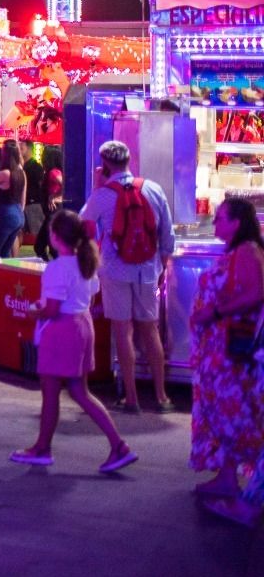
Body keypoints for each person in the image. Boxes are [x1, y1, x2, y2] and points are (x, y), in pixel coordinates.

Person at [9, 211, 137, 474]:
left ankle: (42, 449)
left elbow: (53, 308)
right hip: (82, 325)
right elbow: (89, 300)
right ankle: (118, 445)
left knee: (51, 391)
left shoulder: (58, 268)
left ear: (55, 238)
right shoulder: (86, 263)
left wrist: (35, 310)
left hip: (61, 330)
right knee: (80, 391)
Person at [80, 140, 175, 414]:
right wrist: (161, 266)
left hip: (114, 269)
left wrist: (97, 185)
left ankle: (131, 398)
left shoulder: (103, 194)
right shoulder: (153, 189)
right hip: (147, 269)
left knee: (123, 330)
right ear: (129, 160)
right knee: (150, 328)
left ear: (106, 164)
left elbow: (84, 225)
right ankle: (162, 396)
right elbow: (166, 234)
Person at [187, 197, 264, 500]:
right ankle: (227, 477)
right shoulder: (241, 251)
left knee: (230, 411)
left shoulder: (247, 251)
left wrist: (215, 312)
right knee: (221, 411)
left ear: (236, 223)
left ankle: (238, 474)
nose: (215, 222)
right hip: (219, 347)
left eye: (220, 218)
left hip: (229, 350)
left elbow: (257, 293)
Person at [0, 140, 28, 259]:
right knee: (5, 251)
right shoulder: (21, 172)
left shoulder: (5, 173)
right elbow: (23, 198)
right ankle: (7, 276)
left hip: (8, 213)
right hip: (19, 214)